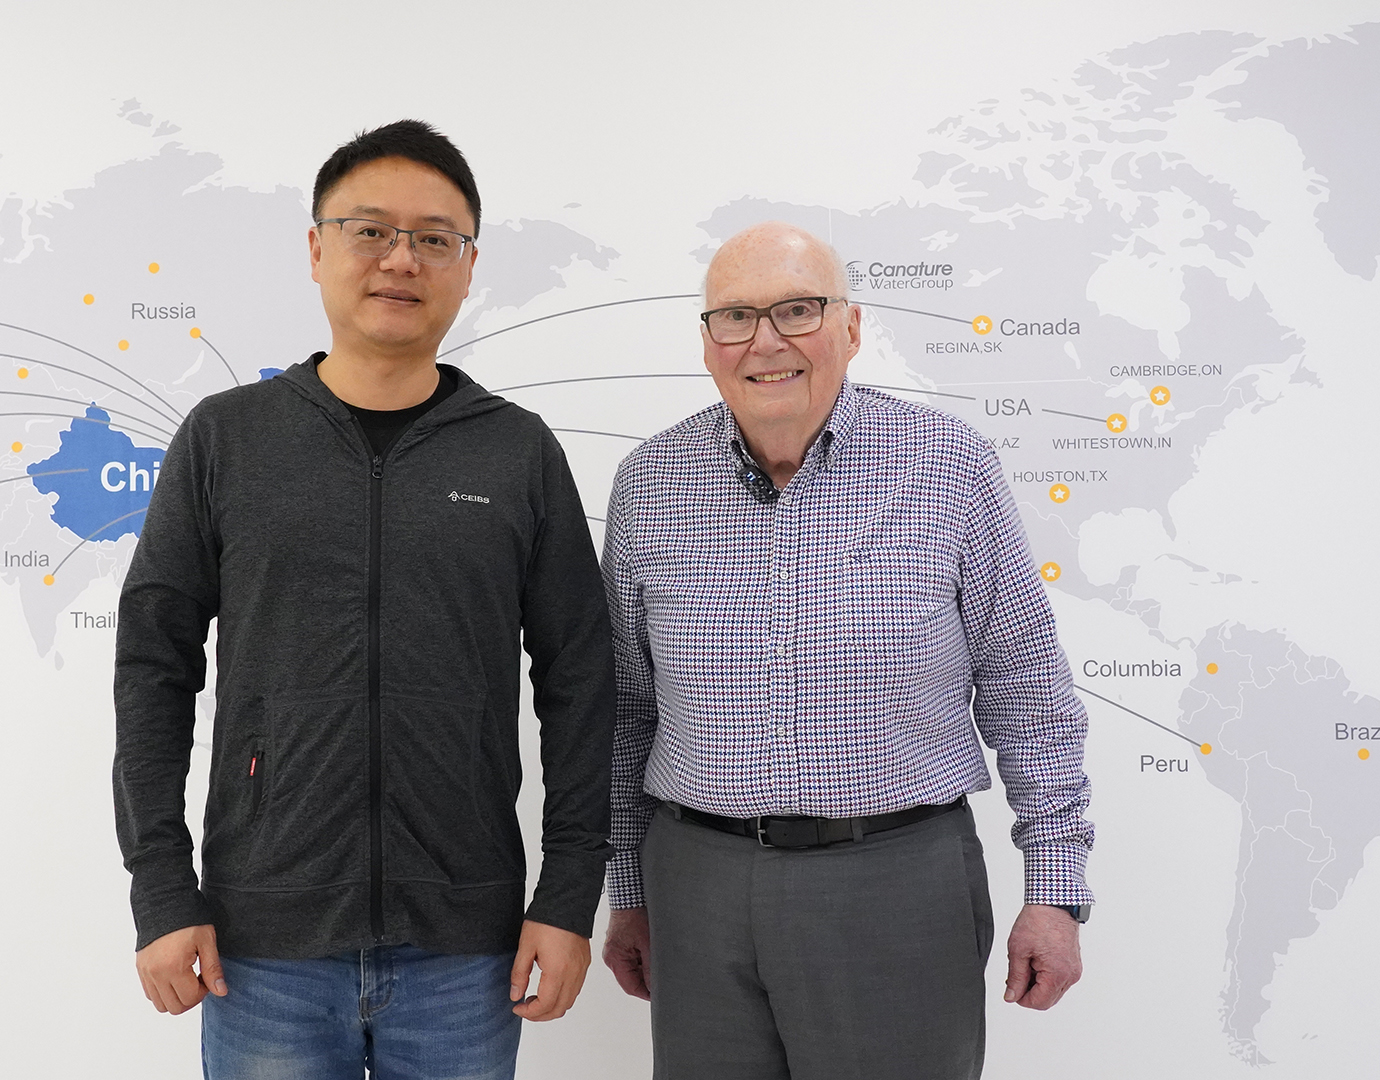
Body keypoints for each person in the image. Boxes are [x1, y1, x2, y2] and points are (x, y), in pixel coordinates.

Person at [113, 120, 614, 1080]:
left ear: (469, 266)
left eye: (435, 238)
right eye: (370, 230)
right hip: (263, 946)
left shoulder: (517, 452)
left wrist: (566, 896)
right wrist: (162, 890)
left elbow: (583, 681)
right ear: (316, 249)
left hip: (467, 949)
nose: (401, 259)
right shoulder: (226, 439)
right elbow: (152, 668)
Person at [599, 222, 1095, 1080]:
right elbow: (626, 710)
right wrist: (630, 893)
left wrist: (1054, 890)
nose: (766, 342)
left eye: (797, 310)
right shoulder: (648, 483)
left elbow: (1026, 688)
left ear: (852, 327)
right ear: (708, 343)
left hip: (897, 885)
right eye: (736, 317)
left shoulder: (949, 466)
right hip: (697, 888)